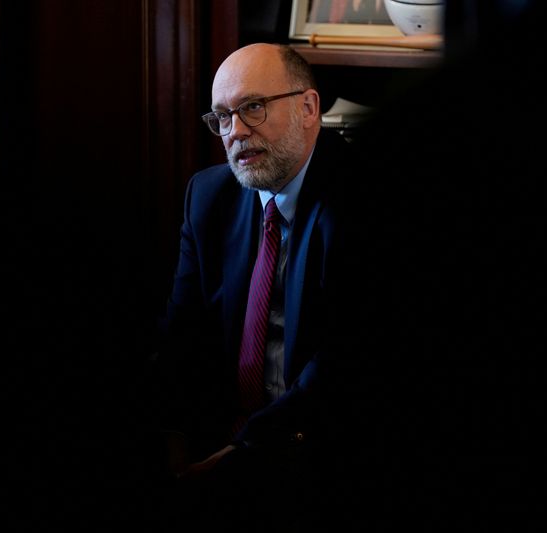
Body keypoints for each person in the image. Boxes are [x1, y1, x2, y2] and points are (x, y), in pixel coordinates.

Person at [148, 42, 368, 532]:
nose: (235, 133)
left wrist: (244, 453)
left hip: (318, 443)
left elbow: (343, 364)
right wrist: (172, 434)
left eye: (252, 108)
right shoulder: (208, 196)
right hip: (223, 433)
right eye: (222, 117)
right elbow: (181, 335)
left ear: (308, 108)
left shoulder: (358, 199)